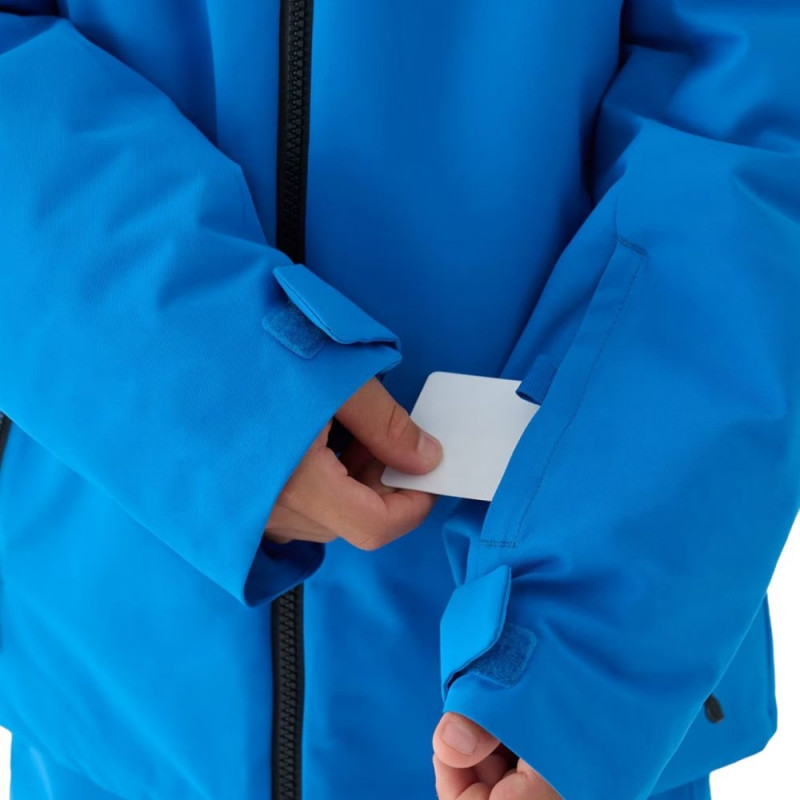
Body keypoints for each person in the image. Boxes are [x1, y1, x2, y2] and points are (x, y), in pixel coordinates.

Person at [0, 1, 797, 799]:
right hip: (116, 670)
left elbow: (753, 125)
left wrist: (581, 648)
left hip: (540, 740)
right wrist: (220, 398)